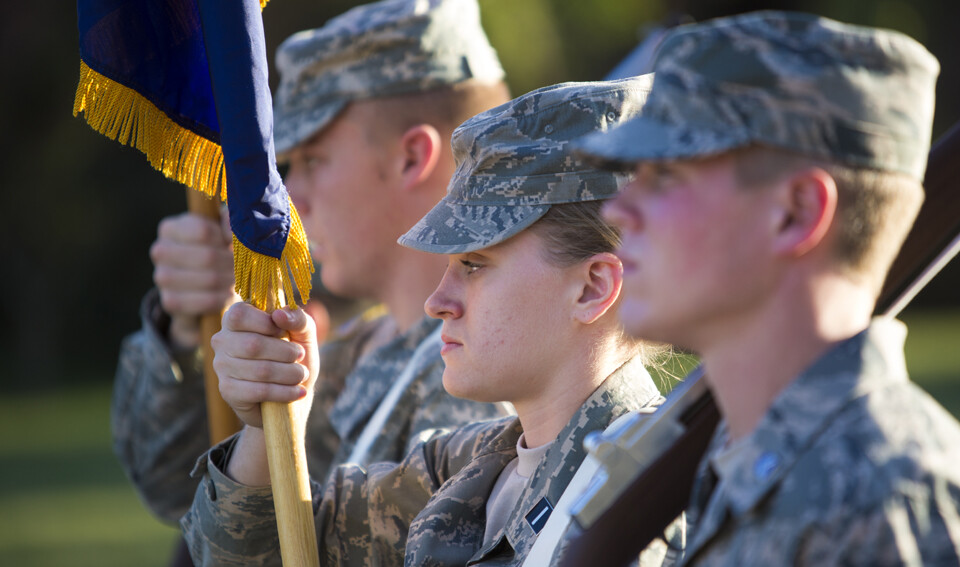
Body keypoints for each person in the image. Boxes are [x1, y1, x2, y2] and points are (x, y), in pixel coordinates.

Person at [181, 77, 681, 566]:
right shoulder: (464, 466)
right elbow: (257, 550)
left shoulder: (648, 500)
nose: (437, 301)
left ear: (593, 288)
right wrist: (267, 424)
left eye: (475, 264)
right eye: (449, 266)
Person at [566, 10, 960, 565]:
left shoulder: (893, 506)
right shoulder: (730, 460)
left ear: (796, 213)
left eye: (667, 175)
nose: (618, 210)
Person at [111, 0, 513, 533]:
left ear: (411, 158)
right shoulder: (358, 353)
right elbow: (181, 492)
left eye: (312, 162)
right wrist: (190, 329)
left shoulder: (474, 378)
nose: (289, 198)